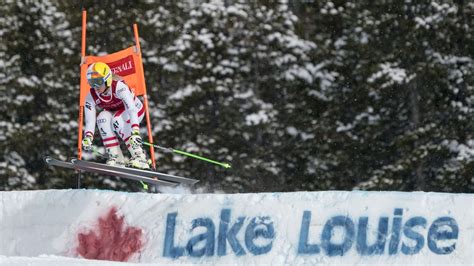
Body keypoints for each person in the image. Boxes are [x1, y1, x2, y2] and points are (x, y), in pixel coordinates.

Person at [81, 62, 150, 170]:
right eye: (91, 83)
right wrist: (88, 137)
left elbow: (131, 109)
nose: (96, 87)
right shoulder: (91, 96)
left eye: (98, 82)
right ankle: (116, 157)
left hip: (135, 111)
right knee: (102, 118)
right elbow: (90, 120)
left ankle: (140, 156)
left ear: (107, 79)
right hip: (117, 113)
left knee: (117, 119)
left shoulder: (119, 87)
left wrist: (135, 132)